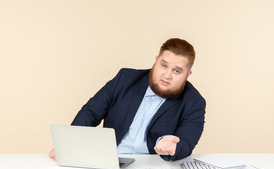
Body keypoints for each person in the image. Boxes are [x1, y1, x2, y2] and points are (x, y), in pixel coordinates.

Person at [49, 38, 206, 161]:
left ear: (187, 75)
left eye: (177, 71)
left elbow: (186, 143)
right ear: (155, 61)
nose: (167, 75)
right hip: (110, 160)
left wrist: (174, 147)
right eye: (163, 65)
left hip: (153, 166)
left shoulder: (194, 102)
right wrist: (68, 145)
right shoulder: (125, 79)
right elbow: (90, 113)